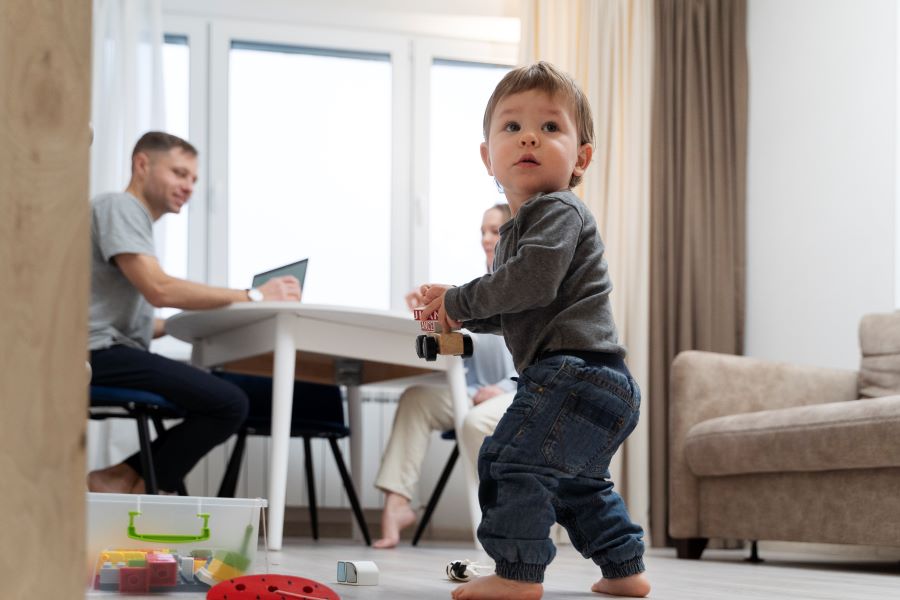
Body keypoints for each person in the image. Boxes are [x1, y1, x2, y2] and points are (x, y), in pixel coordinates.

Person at [417, 63, 650, 599]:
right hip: (600, 379)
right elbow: (519, 305)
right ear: (487, 157)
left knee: (508, 459)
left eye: (550, 128)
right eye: (511, 126)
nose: (528, 136)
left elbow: (532, 282)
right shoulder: (526, 228)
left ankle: (517, 574)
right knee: (578, 482)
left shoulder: (556, 209)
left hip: (571, 373)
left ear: (581, 158)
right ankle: (624, 568)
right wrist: (456, 311)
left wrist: (458, 298)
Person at [87, 131, 300, 495]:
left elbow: (132, 314)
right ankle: (123, 480)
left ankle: (128, 480)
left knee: (219, 398)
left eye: (193, 179)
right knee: (229, 403)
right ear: (142, 164)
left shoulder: (130, 220)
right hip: (94, 353)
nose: (188, 186)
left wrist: (183, 325)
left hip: (106, 348)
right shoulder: (120, 207)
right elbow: (160, 289)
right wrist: (253, 296)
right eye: (179, 173)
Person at [372, 204, 518, 549]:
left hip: (517, 392)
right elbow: (459, 348)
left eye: (495, 231)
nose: (485, 238)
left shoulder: (520, 287)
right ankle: (397, 505)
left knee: (477, 421)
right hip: (472, 392)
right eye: (482, 231)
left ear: (512, 235)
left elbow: (529, 350)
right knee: (416, 399)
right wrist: (426, 319)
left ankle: (499, 526)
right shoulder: (473, 292)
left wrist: (499, 389)